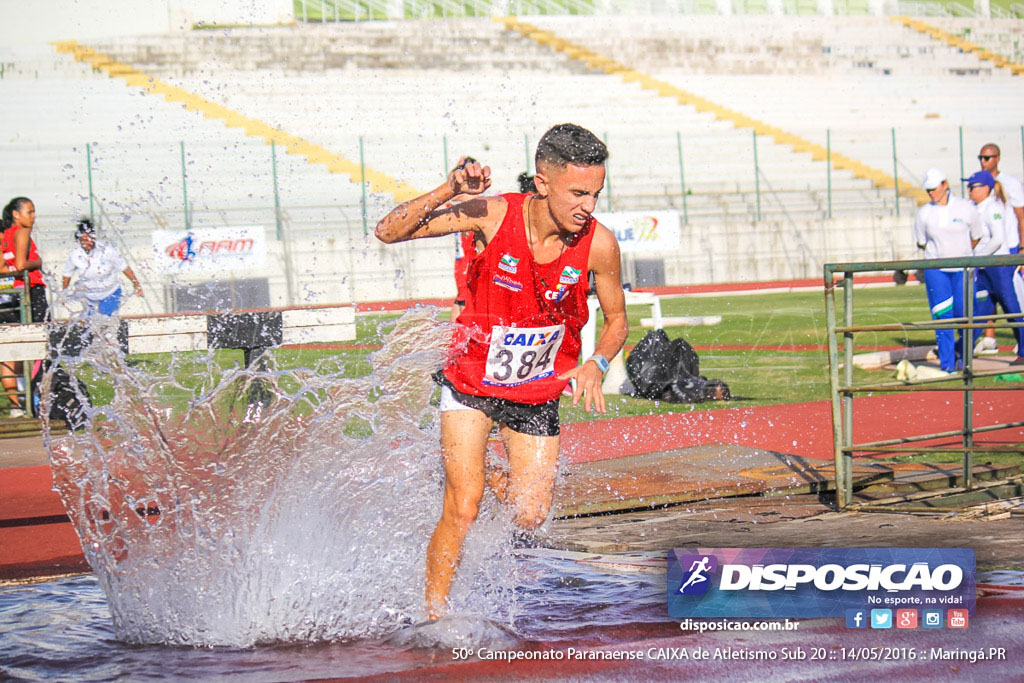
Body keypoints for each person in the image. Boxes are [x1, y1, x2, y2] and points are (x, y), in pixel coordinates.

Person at [375, 123, 628, 619]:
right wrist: (451, 189)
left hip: (536, 390)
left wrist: (597, 362)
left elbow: (618, 320)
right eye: (578, 193)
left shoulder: (600, 245)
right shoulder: (494, 215)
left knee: (530, 516)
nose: (589, 207)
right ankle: (435, 616)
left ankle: (481, 472)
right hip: (471, 383)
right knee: (463, 506)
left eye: (596, 194)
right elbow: (389, 232)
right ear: (542, 183)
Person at [913, 169, 985, 373]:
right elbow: (922, 242)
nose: (931, 193)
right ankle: (947, 364)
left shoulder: (965, 207)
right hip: (937, 270)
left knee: (967, 317)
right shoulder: (924, 213)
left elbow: (976, 235)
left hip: (963, 269)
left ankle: (964, 357)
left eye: (934, 188)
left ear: (945, 184)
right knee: (943, 318)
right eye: (928, 190)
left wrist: (962, 253)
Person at [451, 167, 536, 320]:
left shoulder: (483, 214)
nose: (455, 197)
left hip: (469, 272)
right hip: (467, 271)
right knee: (464, 307)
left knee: (463, 306)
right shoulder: (468, 215)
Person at [963, 171, 1024, 365]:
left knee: (1012, 309)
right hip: (984, 268)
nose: (969, 190)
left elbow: (998, 239)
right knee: (980, 312)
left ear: (986, 189)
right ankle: (962, 350)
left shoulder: (993, 208)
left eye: (973, 187)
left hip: (998, 266)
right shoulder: (975, 208)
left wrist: (978, 258)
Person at [0, 197, 49, 416]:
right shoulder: (22, 232)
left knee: (10, 349)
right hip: (31, 292)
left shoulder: (4, 236)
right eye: (29, 212)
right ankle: (33, 398)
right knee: (39, 346)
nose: (33, 216)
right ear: (16, 215)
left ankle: (16, 405)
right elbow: (21, 265)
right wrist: (38, 262)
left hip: (13, 294)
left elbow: (4, 268)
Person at [61, 218, 143, 316]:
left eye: (87, 239)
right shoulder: (75, 254)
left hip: (110, 292)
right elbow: (67, 274)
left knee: (104, 319)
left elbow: (123, 267)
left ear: (93, 238)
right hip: (89, 296)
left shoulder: (106, 250)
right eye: (82, 240)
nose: (85, 243)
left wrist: (136, 283)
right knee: (90, 324)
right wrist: (63, 294)